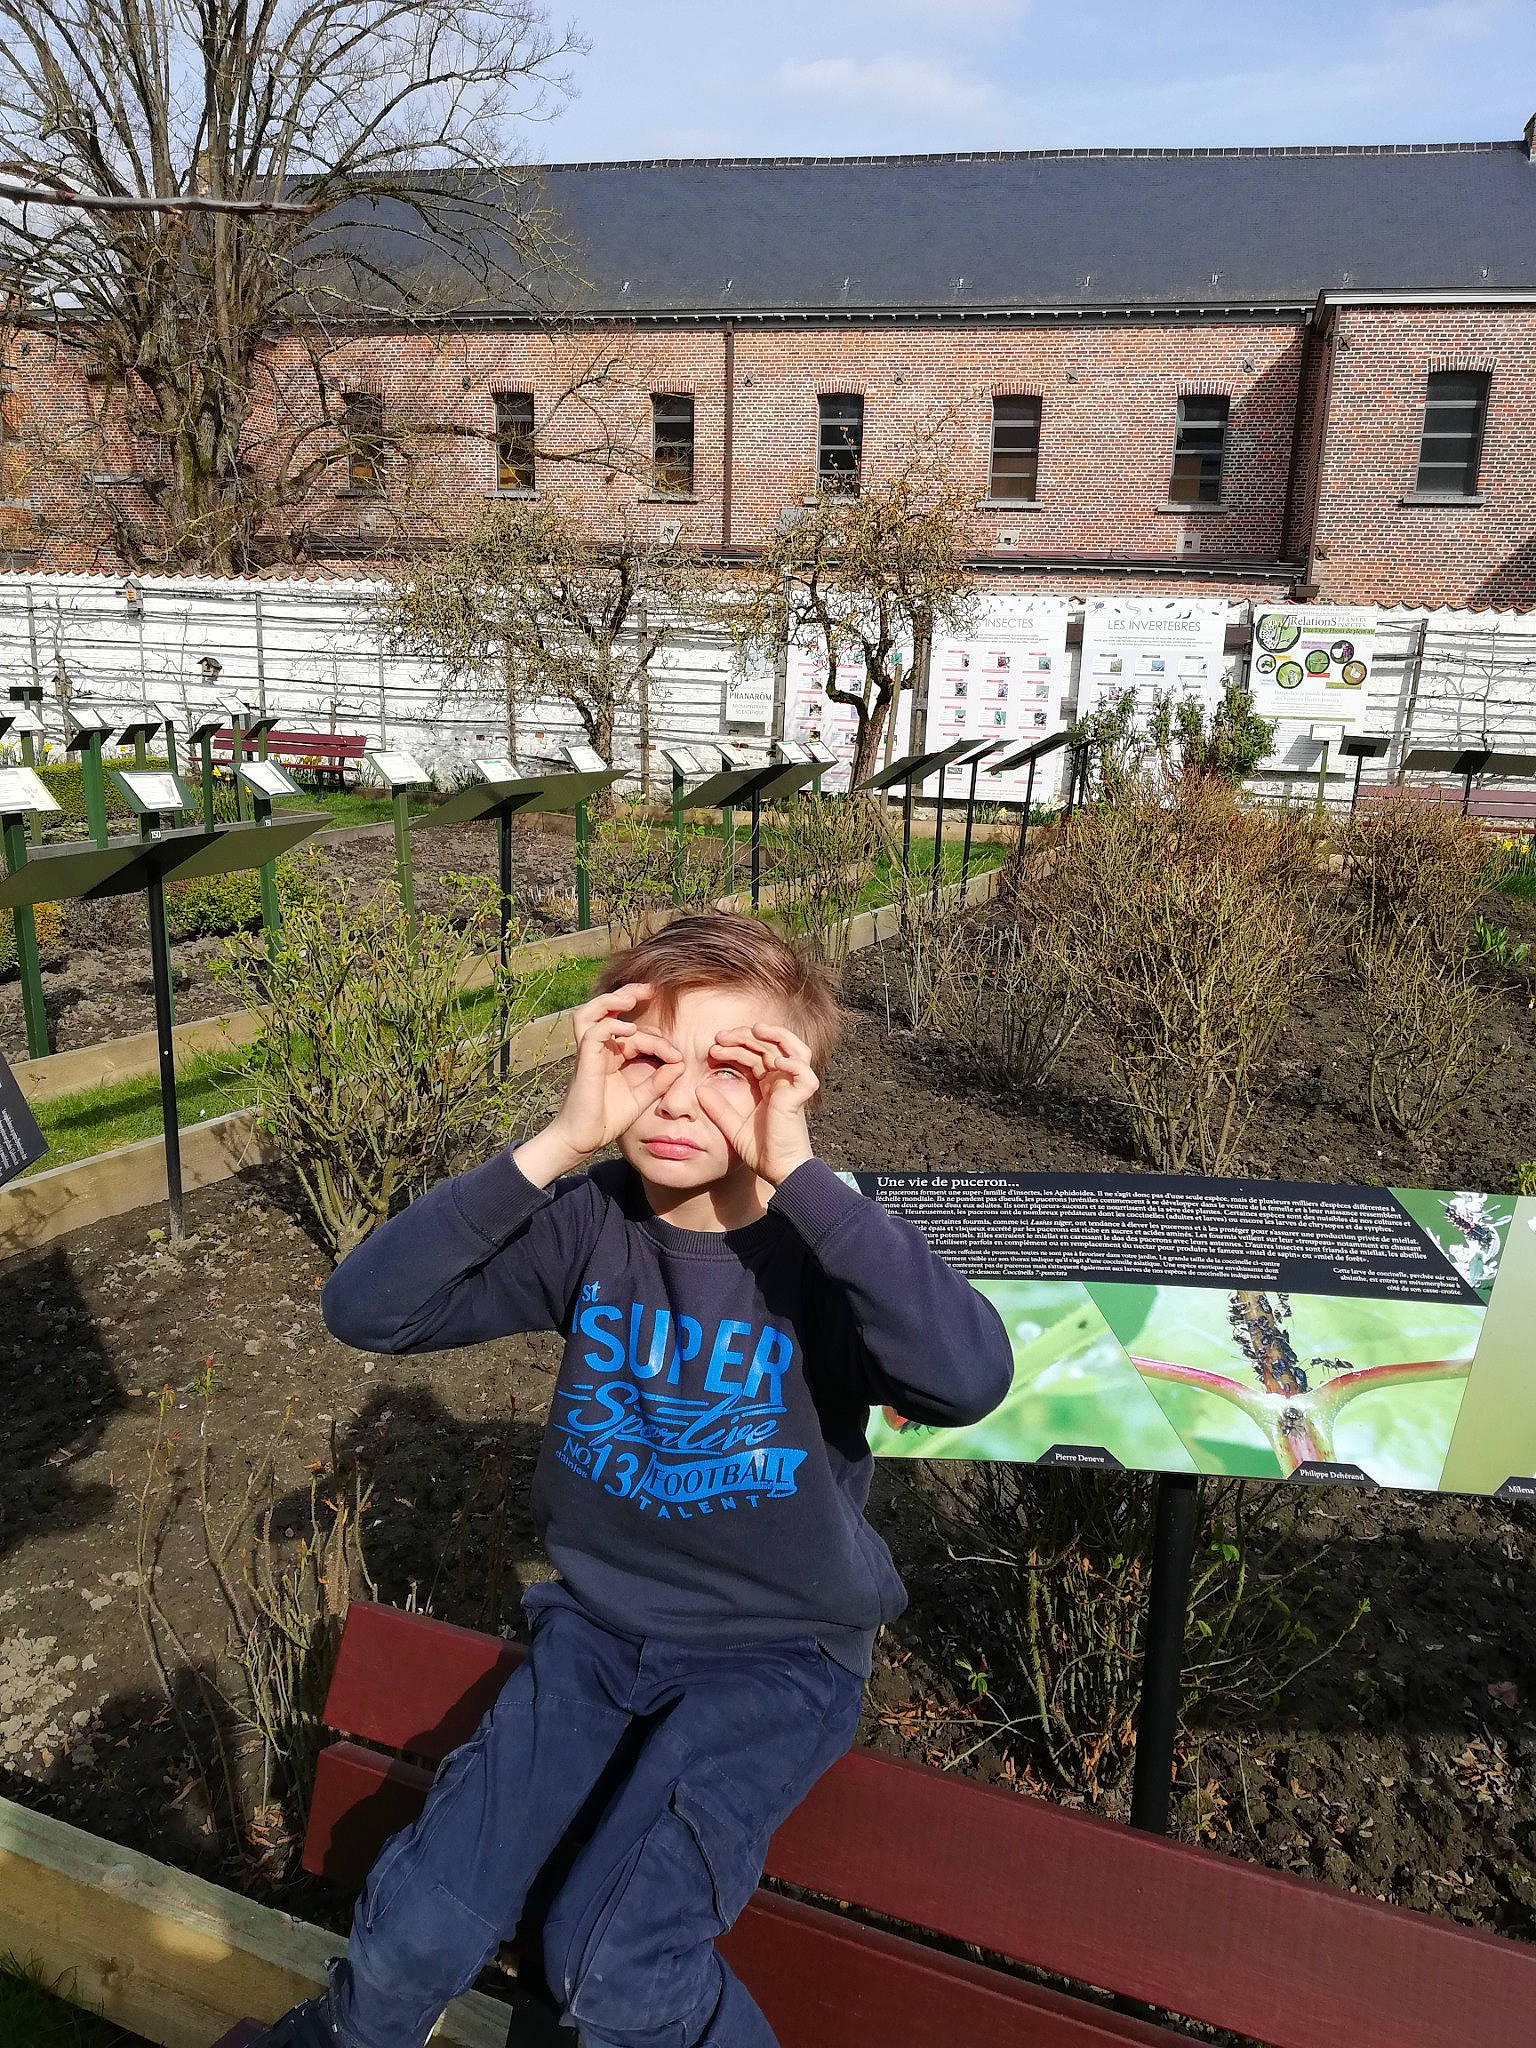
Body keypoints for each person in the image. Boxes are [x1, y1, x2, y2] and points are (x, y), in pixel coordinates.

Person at [251, 910, 1013, 2048]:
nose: (678, 1099)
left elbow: (967, 1380)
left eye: (730, 1067)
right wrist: (559, 1141)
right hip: (598, 1635)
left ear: (790, 1086)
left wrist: (801, 1173)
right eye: (649, 1057)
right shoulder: (590, 1226)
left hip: (776, 1652)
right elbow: (368, 1309)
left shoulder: (825, 1253)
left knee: (613, 1962)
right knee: (415, 1924)